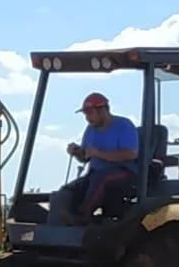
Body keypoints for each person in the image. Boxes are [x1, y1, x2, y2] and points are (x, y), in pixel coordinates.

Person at [52, 92, 139, 224]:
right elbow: (86, 157)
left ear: (103, 110)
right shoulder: (90, 130)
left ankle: (82, 217)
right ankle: (58, 224)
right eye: (85, 114)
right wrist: (77, 152)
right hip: (95, 174)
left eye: (90, 113)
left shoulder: (124, 125)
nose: (87, 118)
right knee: (66, 191)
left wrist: (99, 154)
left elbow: (130, 154)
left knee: (100, 180)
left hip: (124, 173)